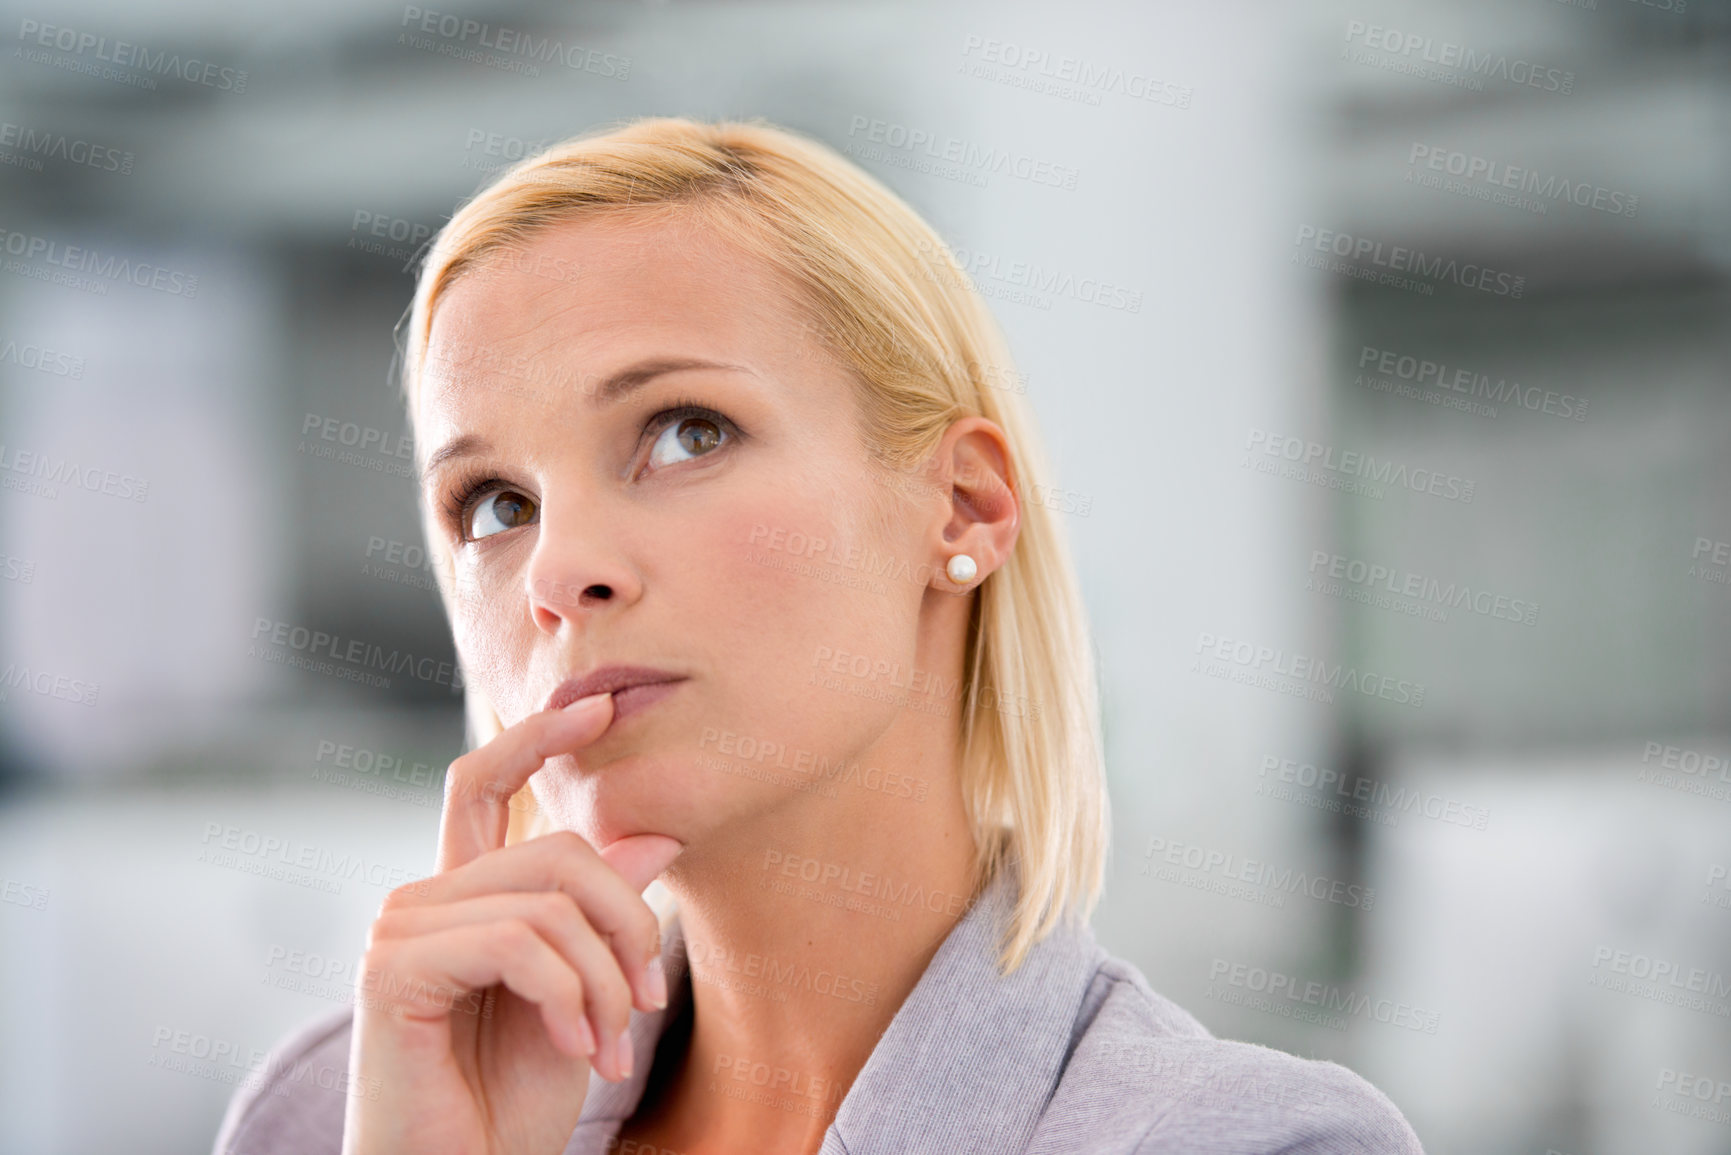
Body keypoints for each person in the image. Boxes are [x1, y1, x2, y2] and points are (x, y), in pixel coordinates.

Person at [213, 117, 1424, 1155]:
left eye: (685, 432)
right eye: (496, 506)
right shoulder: (345, 1107)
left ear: (962, 507)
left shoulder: (1235, 1141)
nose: (559, 568)